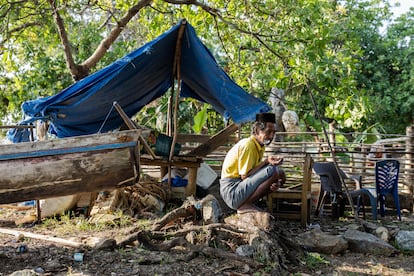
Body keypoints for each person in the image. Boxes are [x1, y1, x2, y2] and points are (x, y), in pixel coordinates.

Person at [220, 112, 286, 214]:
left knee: (280, 174)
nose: (271, 136)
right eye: (268, 132)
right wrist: (266, 162)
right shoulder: (248, 145)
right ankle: (246, 205)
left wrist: (274, 183)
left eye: (274, 132)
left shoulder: (260, 146)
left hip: (240, 189)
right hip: (232, 192)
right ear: (256, 131)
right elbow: (245, 176)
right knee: (273, 170)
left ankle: (248, 203)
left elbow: (255, 174)